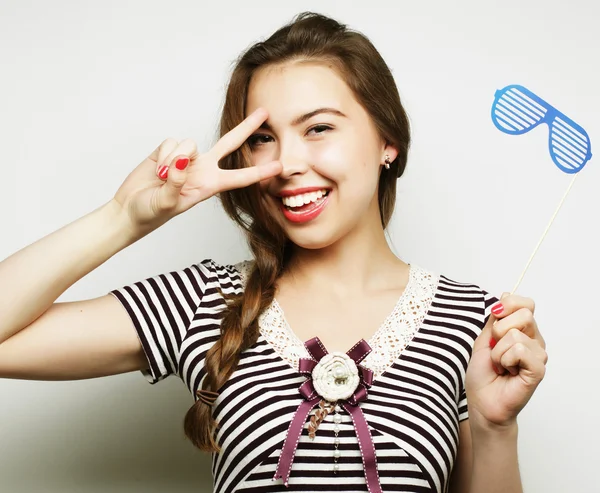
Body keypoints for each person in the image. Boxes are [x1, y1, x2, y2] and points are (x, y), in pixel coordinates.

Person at [0, 11, 547, 493]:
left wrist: (497, 428)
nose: (286, 163)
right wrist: (123, 217)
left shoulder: (477, 323)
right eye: (263, 137)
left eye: (318, 128)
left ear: (387, 140)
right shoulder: (206, 300)